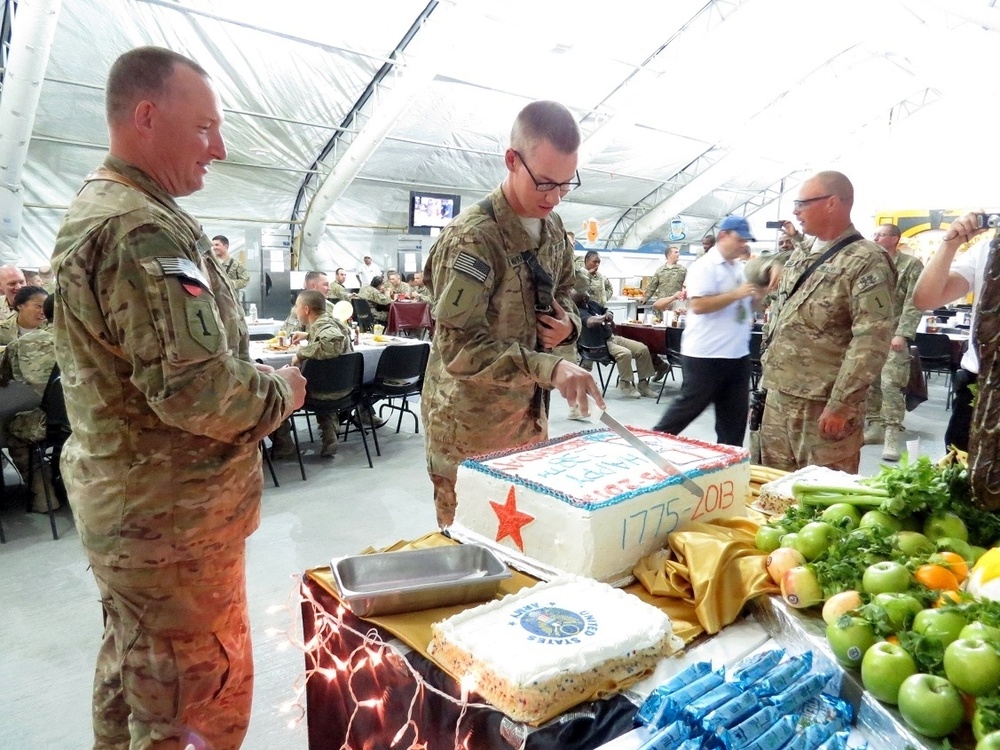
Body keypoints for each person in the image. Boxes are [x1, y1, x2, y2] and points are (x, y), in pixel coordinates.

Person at [50, 46, 306, 750]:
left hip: (139, 515)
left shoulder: (107, 207)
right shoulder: (141, 228)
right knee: (197, 707)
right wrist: (279, 391)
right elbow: (198, 391)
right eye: (204, 130)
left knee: (134, 684)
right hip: (173, 530)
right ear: (145, 116)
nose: (219, 149)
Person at [421, 99, 604, 528]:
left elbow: (565, 293)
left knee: (525, 545)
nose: (555, 197)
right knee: (472, 553)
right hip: (471, 429)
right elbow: (460, 349)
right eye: (545, 183)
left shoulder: (554, 229)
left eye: (566, 184)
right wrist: (551, 367)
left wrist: (568, 326)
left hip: (528, 420)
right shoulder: (473, 241)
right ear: (511, 160)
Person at [757, 170, 895, 473]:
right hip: (778, 393)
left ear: (832, 203)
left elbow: (871, 340)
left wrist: (842, 403)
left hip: (822, 404)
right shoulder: (801, 253)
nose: (795, 211)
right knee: (769, 488)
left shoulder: (867, 260)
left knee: (821, 497)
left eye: (802, 203)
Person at [653, 216, 762, 446]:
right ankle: (650, 445)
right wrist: (736, 294)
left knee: (733, 421)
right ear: (724, 236)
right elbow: (699, 305)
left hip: (737, 355)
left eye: (746, 241)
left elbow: (747, 304)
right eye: (740, 239)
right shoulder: (704, 267)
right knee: (686, 410)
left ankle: (729, 466)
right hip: (706, 355)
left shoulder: (739, 269)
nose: (744, 245)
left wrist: (761, 293)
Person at [912, 211, 992, 452]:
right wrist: (950, 244)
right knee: (960, 474)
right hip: (979, 386)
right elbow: (926, 298)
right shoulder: (988, 250)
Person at [863, 223, 924, 461]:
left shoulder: (910, 265)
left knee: (891, 385)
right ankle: (875, 427)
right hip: (869, 334)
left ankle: (891, 435)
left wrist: (903, 333)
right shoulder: (870, 263)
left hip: (894, 334)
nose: (875, 237)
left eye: (881, 234)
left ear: (895, 238)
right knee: (870, 384)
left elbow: (914, 301)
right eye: (874, 233)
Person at [0, 293, 60, 512]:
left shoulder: (22, 344)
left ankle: (42, 492)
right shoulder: (84, 340)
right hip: (83, 419)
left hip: (42, 423)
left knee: (13, 428)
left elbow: (3, 378)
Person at [285, 289, 353, 457]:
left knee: (279, 389)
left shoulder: (323, 325)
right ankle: (329, 435)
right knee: (322, 378)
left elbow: (332, 342)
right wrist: (308, 335)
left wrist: (300, 354)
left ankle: (283, 444)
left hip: (324, 392)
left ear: (306, 309)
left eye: (297, 306)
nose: (296, 310)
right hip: (343, 388)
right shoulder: (332, 322)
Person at [573, 289, 665, 398]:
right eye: (587, 292)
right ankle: (625, 383)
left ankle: (643, 384)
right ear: (584, 298)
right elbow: (590, 322)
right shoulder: (578, 312)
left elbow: (607, 310)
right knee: (624, 353)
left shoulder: (592, 304)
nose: (590, 293)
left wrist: (609, 314)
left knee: (642, 349)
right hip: (599, 345)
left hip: (612, 338)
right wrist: (603, 317)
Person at [643, 246, 686, 322]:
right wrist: (645, 297)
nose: (678, 254)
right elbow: (653, 285)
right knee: (660, 323)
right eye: (676, 252)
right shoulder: (660, 270)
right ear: (669, 255)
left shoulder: (682, 270)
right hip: (661, 304)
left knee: (673, 323)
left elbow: (687, 285)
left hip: (675, 305)